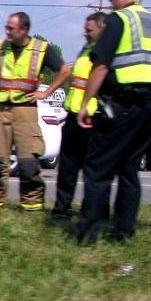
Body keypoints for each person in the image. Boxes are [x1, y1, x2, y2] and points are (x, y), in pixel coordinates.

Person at [74, 0, 151, 244]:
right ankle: (123, 232)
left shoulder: (119, 19)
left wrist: (86, 103)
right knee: (129, 170)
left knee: (98, 168)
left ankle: (87, 233)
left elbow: (101, 65)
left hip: (123, 103)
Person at [0, 12, 71, 211]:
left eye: (11, 28)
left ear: (24, 29)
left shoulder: (41, 49)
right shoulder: (1, 47)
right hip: (0, 109)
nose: (7, 31)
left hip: (25, 110)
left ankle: (32, 205)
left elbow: (65, 71)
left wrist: (46, 92)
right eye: (7, 27)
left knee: (28, 161)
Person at [51, 12, 105, 221]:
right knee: (68, 167)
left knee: (94, 170)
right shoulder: (86, 49)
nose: (85, 33)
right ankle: (61, 209)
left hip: (93, 117)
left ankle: (95, 212)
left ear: (101, 29)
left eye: (89, 30)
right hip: (74, 115)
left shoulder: (105, 53)